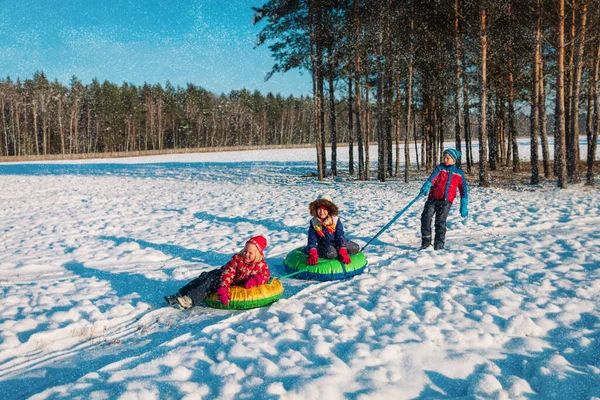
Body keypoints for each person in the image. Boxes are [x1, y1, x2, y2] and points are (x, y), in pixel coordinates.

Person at [165, 235, 270, 309]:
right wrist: (223, 288)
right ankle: (180, 293)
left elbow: (265, 275)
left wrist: (255, 280)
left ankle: (189, 300)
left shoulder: (260, 265)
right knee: (204, 278)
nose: (246, 254)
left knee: (208, 283)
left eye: (250, 253)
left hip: (232, 281)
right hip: (223, 275)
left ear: (257, 254)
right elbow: (228, 273)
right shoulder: (237, 259)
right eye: (245, 251)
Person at [419, 148, 469, 250]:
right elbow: (432, 178)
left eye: (448, 158)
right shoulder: (439, 168)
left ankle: (439, 246)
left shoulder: (459, 173)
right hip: (432, 198)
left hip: (446, 201)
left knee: (440, 223)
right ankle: (426, 244)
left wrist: (464, 204)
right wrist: (427, 184)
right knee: (425, 218)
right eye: (444, 158)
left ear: (453, 160)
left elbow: (463, 189)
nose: (445, 160)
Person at [305, 195, 360, 265]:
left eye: (324, 209)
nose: (322, 212)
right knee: (332, 254)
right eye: (319, 209)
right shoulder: (314, 222)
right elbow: (312, 238)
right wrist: (312, 251)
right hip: (325, 244)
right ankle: (316, 250)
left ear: (329, 210)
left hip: (338, 242)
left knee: (355, 248)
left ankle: (339, 250)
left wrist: (342, 248)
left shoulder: (335, 220)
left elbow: (340, 235)